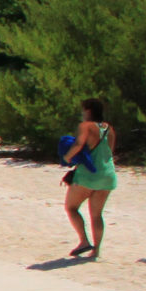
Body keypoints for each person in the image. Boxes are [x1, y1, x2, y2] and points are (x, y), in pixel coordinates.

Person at [60, 95, 119, 258]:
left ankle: (84, 241)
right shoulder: (109, 129)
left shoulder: (85, 126)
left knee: (71, 208)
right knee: (96, 214)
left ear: (89, 110)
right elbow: (110, 152)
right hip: (107, 175)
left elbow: (78, 145)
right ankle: (96, 250)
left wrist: (67, 158)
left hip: (87, 176)